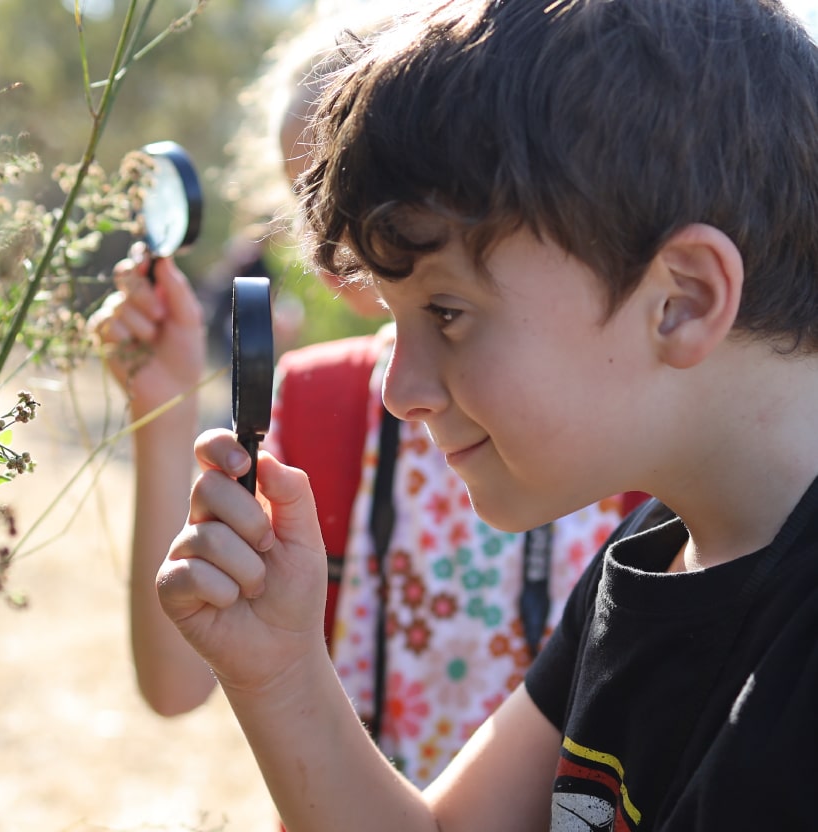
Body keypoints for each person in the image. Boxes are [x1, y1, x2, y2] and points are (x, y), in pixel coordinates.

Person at [155, 0, 818, 829]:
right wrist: (282, 671)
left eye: (447, 312)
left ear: (682, 300)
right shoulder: (651, 550)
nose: (400, 391)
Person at [91, 1, 636, 791]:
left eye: (374, 196)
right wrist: (164, 406)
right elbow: (178, 685)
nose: (344, 242)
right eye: (313, 203)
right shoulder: (323, 402)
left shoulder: (626, 416)